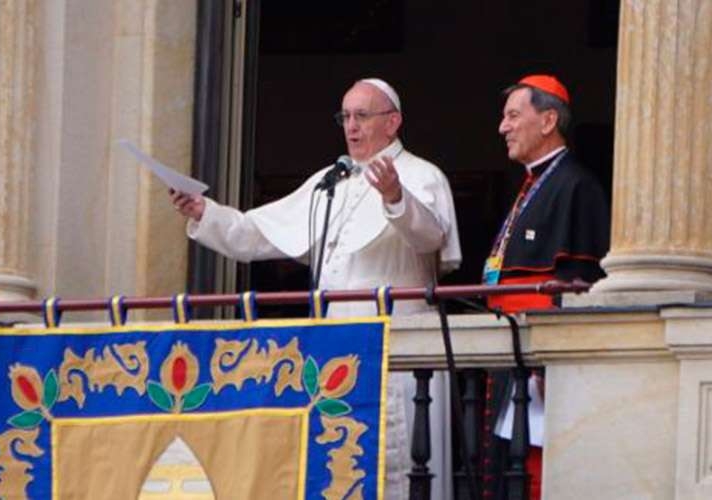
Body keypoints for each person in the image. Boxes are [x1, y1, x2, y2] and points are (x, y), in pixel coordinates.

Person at [170, 78, 461, 500]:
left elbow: (430, 238)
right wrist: (205, 212)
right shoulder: (331, 181)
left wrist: (396, 196)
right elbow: (258, 232)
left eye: (362, 115)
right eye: (345, 117)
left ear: (392, 122)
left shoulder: (421, 175)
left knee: (399, 472)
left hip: (397, 348)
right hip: (335, 353)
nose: (351, 126)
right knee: (340, 470)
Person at [482, 74, 610, 500]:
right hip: (511, 349)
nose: (503, 127)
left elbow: (580, 281)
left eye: (513, 116)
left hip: (541, 357)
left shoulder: (576, 185)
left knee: (538, 468)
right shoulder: (532, 184)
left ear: (548, 119)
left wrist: (545, 359)